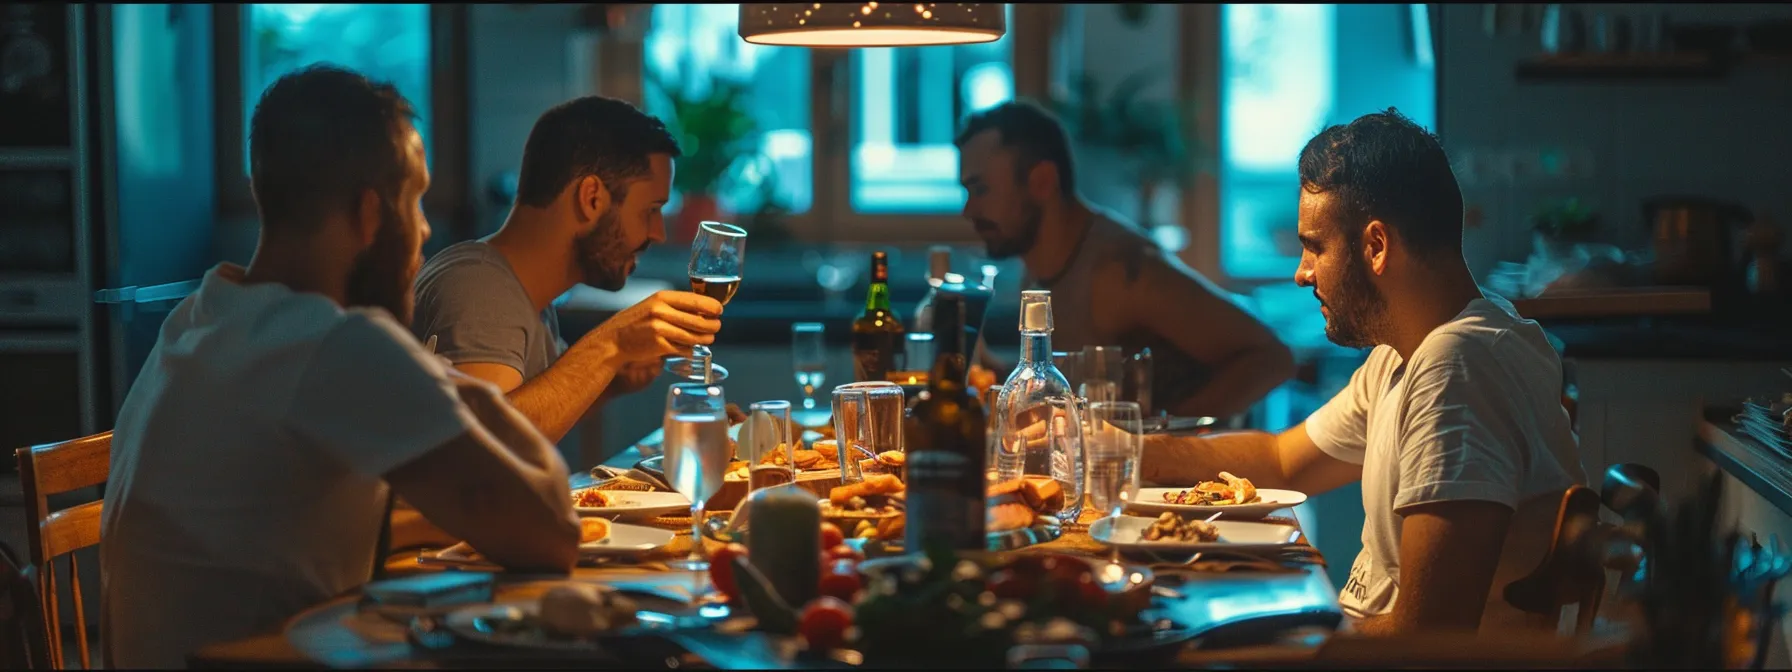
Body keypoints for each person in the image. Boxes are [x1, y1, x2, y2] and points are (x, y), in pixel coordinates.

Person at [100, 65, 581, 668]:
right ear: (370, 213)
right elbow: (552, 533)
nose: (424, 230)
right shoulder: (337, 344)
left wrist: (431, 379)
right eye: (415, 201)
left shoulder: (201, 316)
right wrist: (449, 383)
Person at [1139, 109, 1586, 634]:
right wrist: (1125, 450)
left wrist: (1284, 639)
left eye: (1315, 246)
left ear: (1376, 246)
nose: (1301, 273)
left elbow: (1428, 637)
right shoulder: (1408, 351)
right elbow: (1284, 462)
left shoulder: (1457, 369)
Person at [410, 96, 722, 451]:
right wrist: (613, 344)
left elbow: (531, 414)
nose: (658, 233)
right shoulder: (480, 289)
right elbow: (485, 452)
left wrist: (611, 380)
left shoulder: (521, 292)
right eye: (651, 210)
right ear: (591, 198)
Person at [955, 101, 1294, 419]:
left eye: (980, 189)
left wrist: (1164, 438)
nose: (968, 211)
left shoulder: (1120, 271)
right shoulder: (1038, 268)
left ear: (1042, 181)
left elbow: (1273, 359)